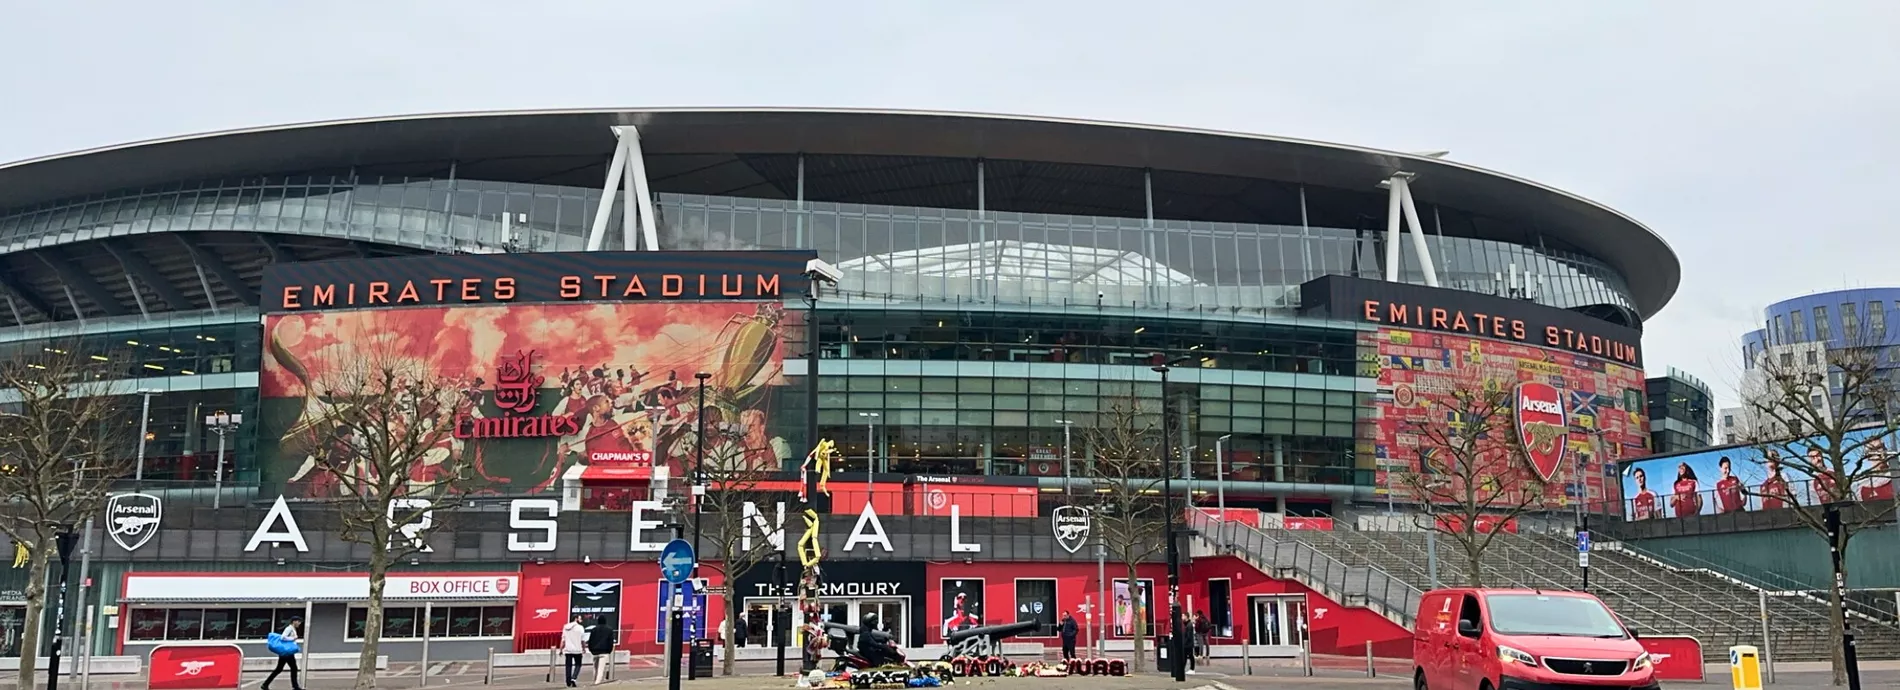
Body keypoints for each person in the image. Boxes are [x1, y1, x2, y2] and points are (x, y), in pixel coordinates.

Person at [261, 616, 303, 690]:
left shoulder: (292, 629)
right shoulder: (289, 628)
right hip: (287, 652)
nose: (299, 623)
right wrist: (293, 638)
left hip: (286, 652)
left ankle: (265, 684)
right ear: (294, 621)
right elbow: (283, 637)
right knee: (293, 668)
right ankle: (295, 687)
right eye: (298, 621)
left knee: (279, 669)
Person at [587, 614, 616, 684]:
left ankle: (594, 681)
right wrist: (609, 650)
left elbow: (590, 641)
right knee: (601, 670)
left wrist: (591, 650)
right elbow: (610, 642)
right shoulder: (609, 630)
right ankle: (597, 683)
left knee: (595, 669)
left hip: (595, 652)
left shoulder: (594, 629)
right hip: (604, 652)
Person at [560, 614, 587, 687]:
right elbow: (583, 640)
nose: (581, 620)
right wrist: (584, 648)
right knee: (578, 664)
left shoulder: (565, 627)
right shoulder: (580, 627)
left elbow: (563, 639)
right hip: (577, 650)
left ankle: (568, 681)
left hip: (568, 650)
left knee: (568, 666)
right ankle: (573, 678)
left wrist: (561, 649)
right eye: (579, 618)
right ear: (576, 619)